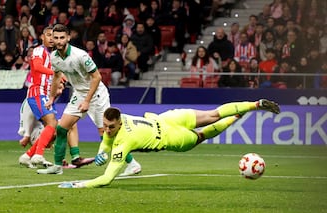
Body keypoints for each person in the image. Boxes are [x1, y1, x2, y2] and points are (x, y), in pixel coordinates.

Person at [58, 99, 280, 188]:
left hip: (171, 138)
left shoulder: (123, 142)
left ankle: (236, 117)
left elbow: (106, 179)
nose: (107, 130)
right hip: (169, 118)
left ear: (117, 123)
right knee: (212, 114)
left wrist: (79, 184)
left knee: (203, 135)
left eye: (110, 127)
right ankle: (254, 104)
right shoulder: (119, 119)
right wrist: (101, 152)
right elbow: (107, 140)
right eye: (105, 126)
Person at [37, 24, 141, 176]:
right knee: (61, 129)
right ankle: (57, 166)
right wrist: (52, 98)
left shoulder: (80, 55)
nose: (59, 41)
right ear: (52, 38)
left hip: (97, 95)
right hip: (79, 94)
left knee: (106, 133)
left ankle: (132, 163)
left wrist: (87, 101)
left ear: (68, 38)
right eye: (56, 38)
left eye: (62, 37)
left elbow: (97, 77)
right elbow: (57, 77)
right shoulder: (54, 57)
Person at [19, 26, 91, 168]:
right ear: (42, 37)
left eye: (54, 36)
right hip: (37, 92)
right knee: (52, 124)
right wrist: (56, 72)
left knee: (56, 129)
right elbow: (38, 67)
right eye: (48, 35)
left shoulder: (54, 56)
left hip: (46, 95)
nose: (52, 39)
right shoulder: (39, 50)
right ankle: (38, 155)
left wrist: (60, 84)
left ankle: (28, 156)